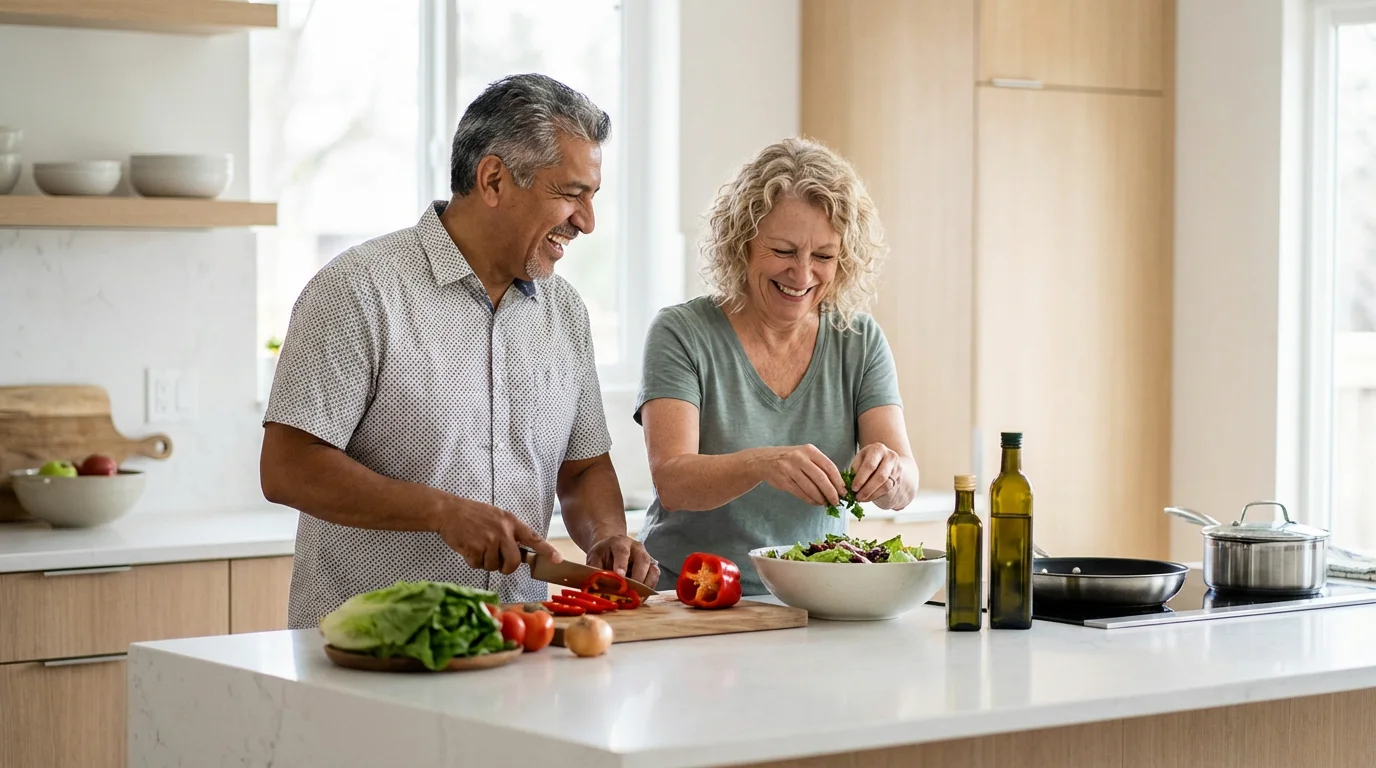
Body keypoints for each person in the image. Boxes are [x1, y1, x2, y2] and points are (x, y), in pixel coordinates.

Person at [261, 73, 659, 629]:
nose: (587, 222)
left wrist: (609, 536)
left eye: (592, 197)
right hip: (370, 651)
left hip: (518, 643)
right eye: (571, 194)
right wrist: (441, 513)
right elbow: (287, 468)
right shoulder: (357, 290)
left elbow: (583, 467)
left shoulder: (565, 312)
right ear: (494, 179)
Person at [634, 137, 919, 596]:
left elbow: (905, 484)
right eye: (784, 252)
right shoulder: (681, 332)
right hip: (691, 597)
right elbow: (674, 480)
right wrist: (763, 463)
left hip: (815, 598)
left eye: (823, 256)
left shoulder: (859, 341)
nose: (803, 274)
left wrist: (889, 475)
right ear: (741, 244)